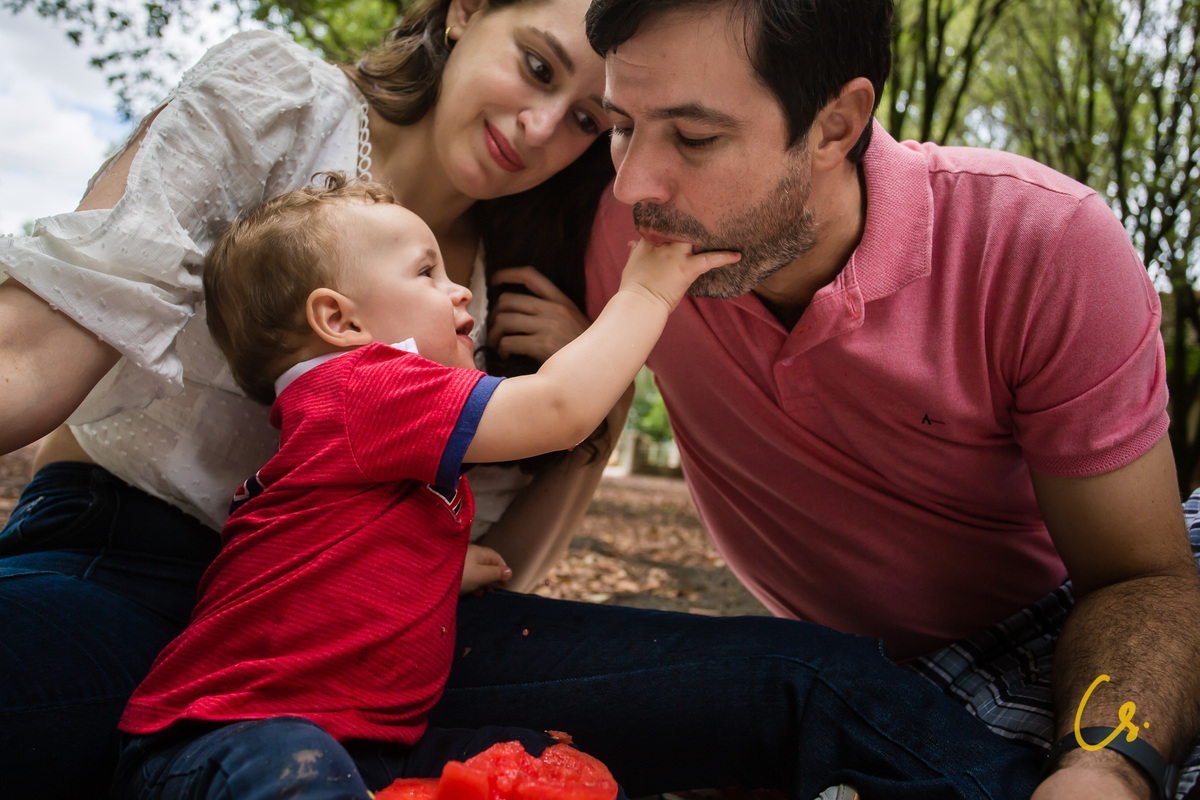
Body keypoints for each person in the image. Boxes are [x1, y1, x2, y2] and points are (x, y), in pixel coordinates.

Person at [571, 0, 1200, 797]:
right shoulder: (624, 232)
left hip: (1086, 637)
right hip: (860, 684)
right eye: (622, 124)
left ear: (836, 125)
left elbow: (1139, 578)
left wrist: (1108, 766)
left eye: (695, 138)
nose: (633, 183)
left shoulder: (1044, 247)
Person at [0, 0, 621, 793]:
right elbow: (31, 353)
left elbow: (498, 568)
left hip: (342, 651)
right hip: (119, 556)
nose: (540, 128)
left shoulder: (505, 292)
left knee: (784, 681)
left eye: (584, 121)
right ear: (465, 10)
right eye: (537, 66)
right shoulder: (286, 106)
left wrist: (593, 417)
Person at [110, 171, 734, 799]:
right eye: (426, 273)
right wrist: (648, 292)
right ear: (338, 319)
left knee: (542, 766)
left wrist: (430, 565)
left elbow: (325, 551)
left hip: (365, 749)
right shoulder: (365, 386)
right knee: (298, 767)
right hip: (226, 736)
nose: (460, 290)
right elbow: (558, 409)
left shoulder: (358, 422)